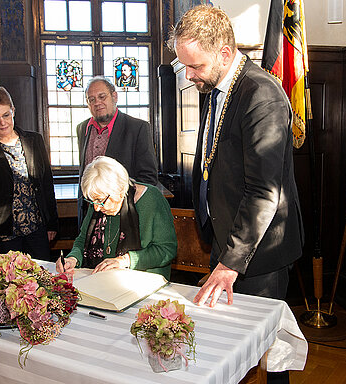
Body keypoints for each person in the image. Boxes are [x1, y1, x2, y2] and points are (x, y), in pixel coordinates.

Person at [170, 6, 304, 382]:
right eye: (185, 65)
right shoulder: (214, 86)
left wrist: (230, 263)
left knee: (269, 352)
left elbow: (264, 191)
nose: (189, 75)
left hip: (258, 255)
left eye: (194, 66)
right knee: (231, 349)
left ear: (225, 53)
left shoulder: (261, 95)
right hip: (228, 240)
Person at [0, 85, 59, 261]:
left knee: (43, 281)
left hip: (37, 230)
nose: (3, 123)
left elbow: (46, 184)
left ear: (13, 110)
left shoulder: (35, 140)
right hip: (3, 233)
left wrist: (51, 223)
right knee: (9, 285)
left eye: (6, 115)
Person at [57, 156, 176, 280]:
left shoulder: (151, 199)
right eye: (92, 201)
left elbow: (167, 250)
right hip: (104, 279)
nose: (96, 208)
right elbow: (83, 240)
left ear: (119, 190)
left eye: (100, 201)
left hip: (145, 280)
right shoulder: (99, 199)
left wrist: (125, 260)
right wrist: (72, 259)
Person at [76, 76, 158, 225]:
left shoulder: (138, 128)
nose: (97, 103)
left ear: (114, 96)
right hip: (89, 215)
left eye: (102, 96)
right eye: (91, 99)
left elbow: (148, 178)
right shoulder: (82, 128)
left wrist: (123, 205)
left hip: (123, 216)